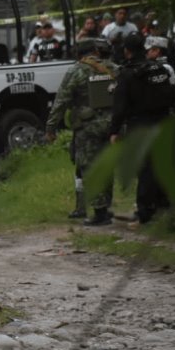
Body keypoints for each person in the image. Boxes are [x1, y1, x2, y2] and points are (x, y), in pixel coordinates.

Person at [45, 39, 117, 225]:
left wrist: (51, 127)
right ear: (96, 52)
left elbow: (61, 100)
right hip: (112, 126)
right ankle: (106, 207)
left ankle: (99, 212)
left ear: (79, 55)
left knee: (89, 166)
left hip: (87, 127)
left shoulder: (76, 71)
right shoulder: (114, 68)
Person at [110, 32, 175, 224]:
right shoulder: (160, 69)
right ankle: (166, 205)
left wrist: (114, 131)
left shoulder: (128, 73)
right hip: (164, 121)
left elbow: (120, 106)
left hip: (140, 125)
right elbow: (171, 93)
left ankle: (146, 212)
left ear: (127, 51)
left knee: (146, 168)